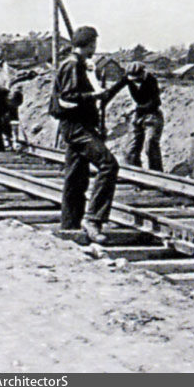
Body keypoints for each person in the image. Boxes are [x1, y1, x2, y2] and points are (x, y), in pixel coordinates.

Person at [49, 26, 121, 245]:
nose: (95, 48)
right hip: (77, 127)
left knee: (76, 178)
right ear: (90, 43)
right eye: (94, 44)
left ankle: (69, 226)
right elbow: (69, 96)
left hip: (78, 126)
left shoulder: (78, 64)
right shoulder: (72, 65)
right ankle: (93, 219)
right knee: (109, 165)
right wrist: (94, 95)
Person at [109, 61, 164, 171]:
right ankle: (136, 173)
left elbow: (155, 102)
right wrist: (104, 99)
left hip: (152, 115)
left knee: (151, 145)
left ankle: (157, 173)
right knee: (132, 149)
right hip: (138, 115)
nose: (135, 82)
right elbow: (113, 90)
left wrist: (135, 109)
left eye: (137, 79)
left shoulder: (151, 80)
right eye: (132, 80)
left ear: (142, 74)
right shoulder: (127, 78)